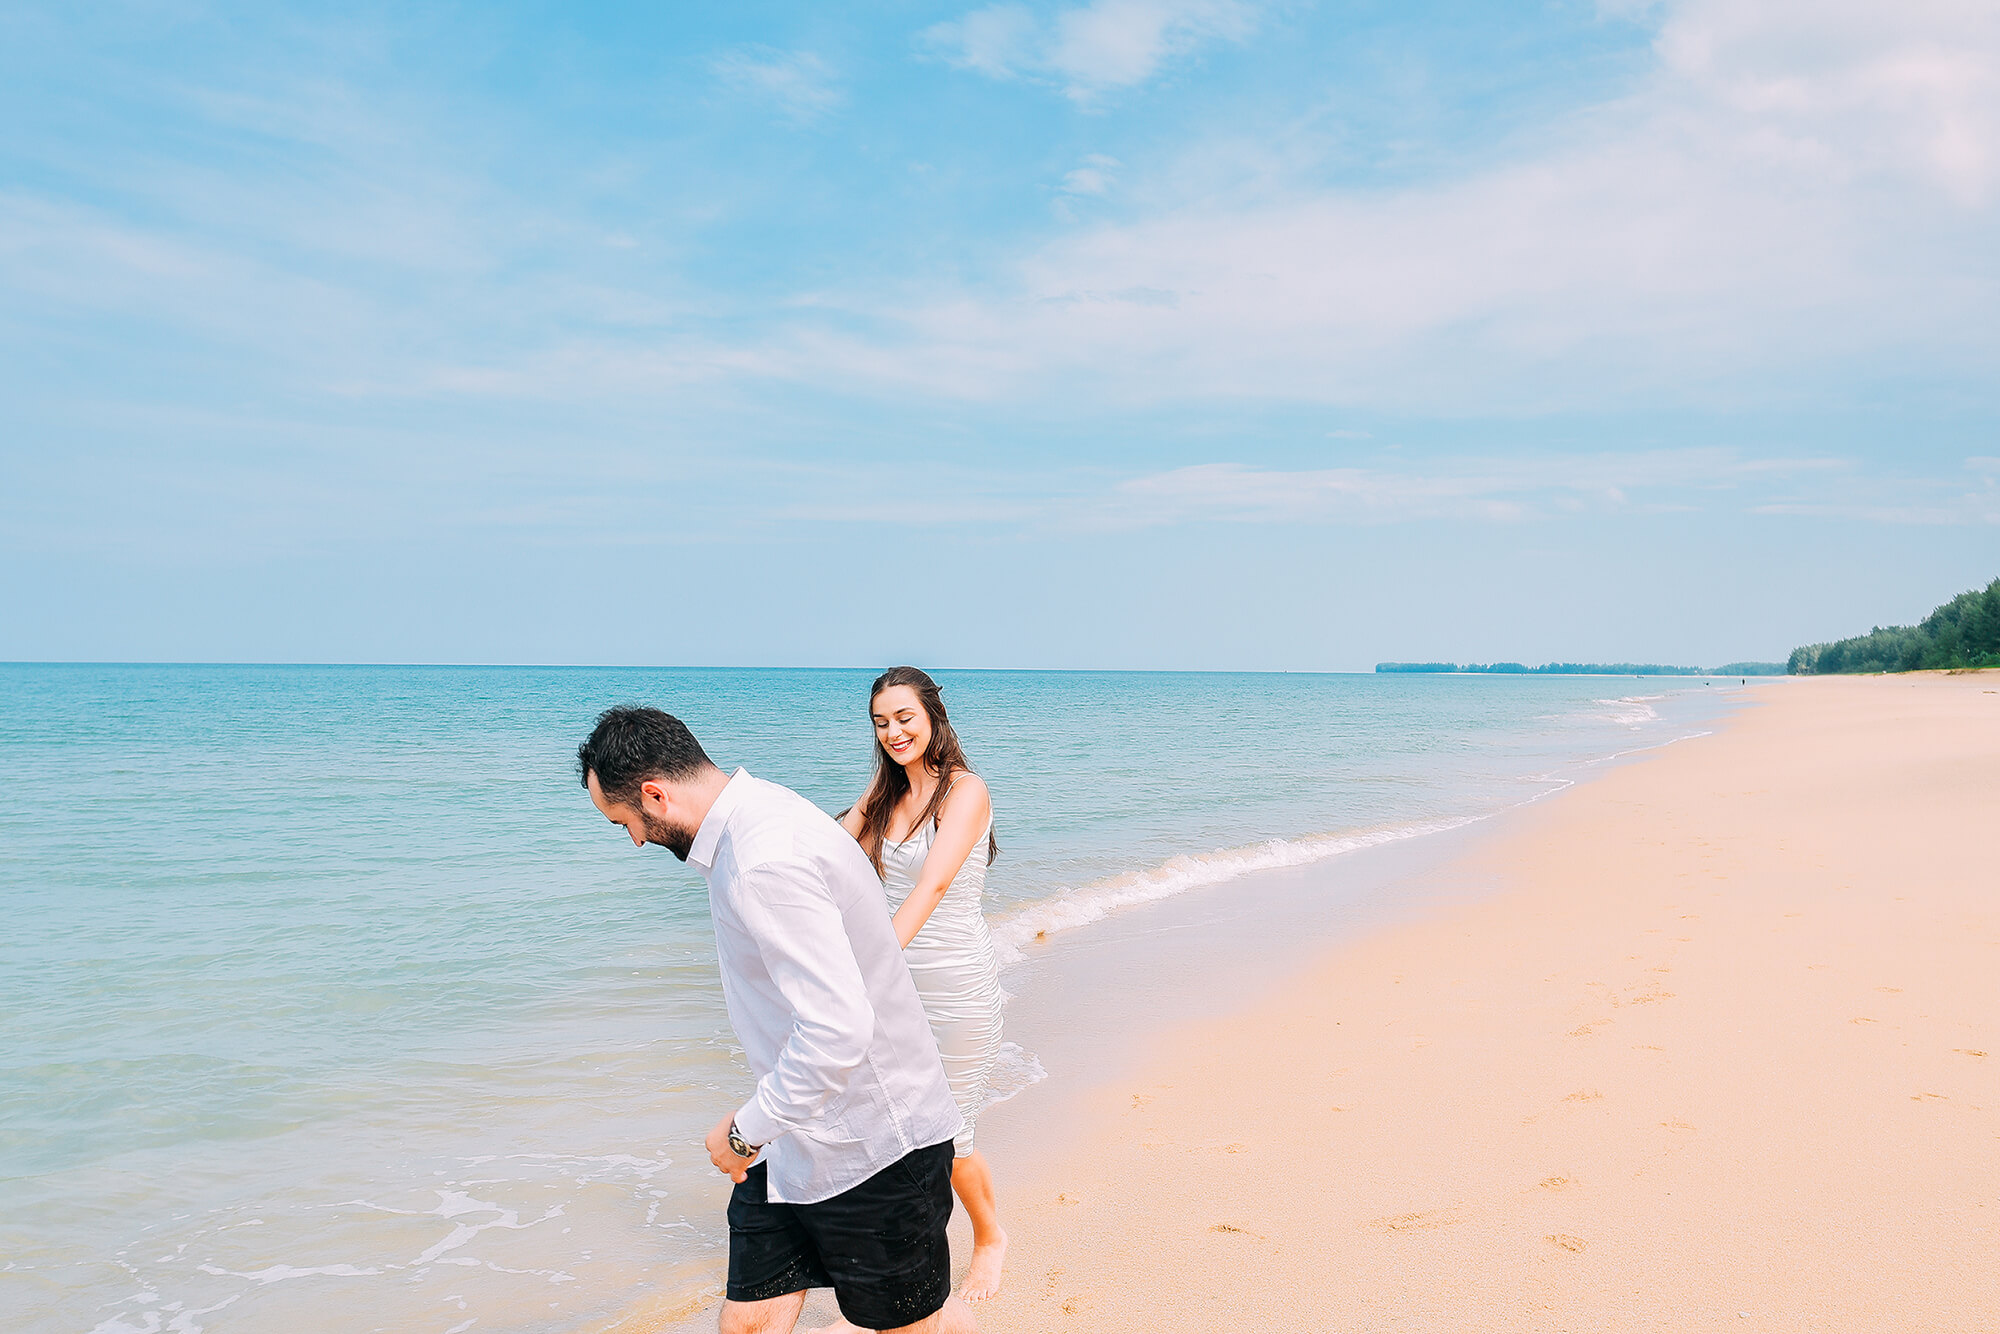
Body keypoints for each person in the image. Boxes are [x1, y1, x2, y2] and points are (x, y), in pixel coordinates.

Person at [577, 705, 973, 1334]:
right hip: (797, 1138)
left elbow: (839, 1028)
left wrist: (744, 1132)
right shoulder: (758, 815)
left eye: (625, 821)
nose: (634, 840)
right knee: (749, 1321)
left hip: (873, 1143)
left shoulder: (762, 859)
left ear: (655, 794)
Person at [839, 668, 1009, 1305]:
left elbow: (930, 888)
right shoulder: (887, 795)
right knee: (890, 1125)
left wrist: (868, 968)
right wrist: (865, 800)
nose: (893, 732)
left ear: (934, 715)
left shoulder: (966, 792)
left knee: (951, 1132)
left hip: (955, 986)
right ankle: (896, 1259)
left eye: (904, 717)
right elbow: (828, 852)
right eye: (881, 722)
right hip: (893, 991)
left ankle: (989, 1239)